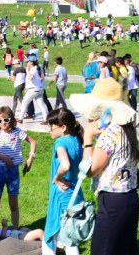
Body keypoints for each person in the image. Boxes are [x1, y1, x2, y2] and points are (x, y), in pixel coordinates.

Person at [71, 77, 139, 255]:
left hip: (113, 202)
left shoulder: (110, 134)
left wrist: (88, 138)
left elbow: (91, 169)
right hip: (129, 198)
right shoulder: (125, 129)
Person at [0, 106, 37, 229]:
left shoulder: (17, 132)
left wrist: (31, 157)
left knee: (13, 204)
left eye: (6, 120)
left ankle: (14, 232)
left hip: (13, 172)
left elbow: (33, 142)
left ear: (11, 119)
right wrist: (3, 158)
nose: (3, 123)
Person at [43, 108, 84, 255]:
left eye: (51, 127)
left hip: (61, 195)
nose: (49, 130)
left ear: (63, 127)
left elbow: (65, 165)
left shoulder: (61, 142)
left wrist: (57, 177)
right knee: (69, 237)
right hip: (75, 193)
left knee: (50, 236)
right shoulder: (77, 140)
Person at [17, 55, 48, 123]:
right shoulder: (37, 68)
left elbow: (30, 78)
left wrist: (27, 70)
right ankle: (46, 119)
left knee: (24, 102)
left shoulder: (33, 69)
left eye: (28, 61)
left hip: (34, 89)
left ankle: (20, 119)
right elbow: (41, 78)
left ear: (31, 62)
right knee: (41, 104)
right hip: (39, 89)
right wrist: (27, 87)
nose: (26, 63)